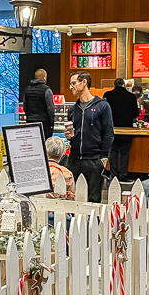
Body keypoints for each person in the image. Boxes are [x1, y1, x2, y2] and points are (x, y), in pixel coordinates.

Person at [65, 72, 114, 203]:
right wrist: (69, 136)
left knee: (94, 198)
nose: (71, 87)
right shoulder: (72, 110)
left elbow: (108, 133)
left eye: (73, 83)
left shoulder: (102, 106)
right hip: (74, 159)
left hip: (94, 159)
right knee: (73, 197)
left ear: (84, 82)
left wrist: (104, 157)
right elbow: (73, 134)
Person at [104, 78, 139, 181]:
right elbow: (135, 114)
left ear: (114, 85)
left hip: (112, 129)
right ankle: (123, 175)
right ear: (124, 85)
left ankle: (113, 175)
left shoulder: (108, 95)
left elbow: (103, 112)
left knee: (113, 152)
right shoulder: (131, 96)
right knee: (125, 153)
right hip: (127, 129)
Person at [23, 68, 55, 134]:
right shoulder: (46, 90)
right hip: (44, 123)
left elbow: (25, 106)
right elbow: (50, 108)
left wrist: (29, 117)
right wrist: (52, 123)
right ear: (44, 76)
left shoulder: (27, 90)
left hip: (30, 122)